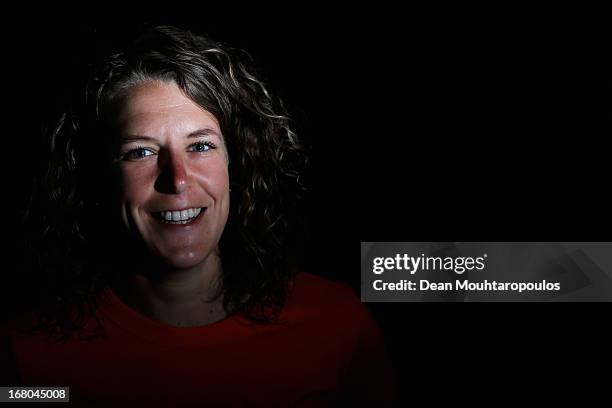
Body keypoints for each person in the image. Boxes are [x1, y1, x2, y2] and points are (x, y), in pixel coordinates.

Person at [1, 25, 394, 406]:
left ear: (234, 165)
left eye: (201, 146)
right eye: (141, 152)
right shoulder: (30, 358)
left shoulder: (337, 324)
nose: (177, 179)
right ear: (99, 176)